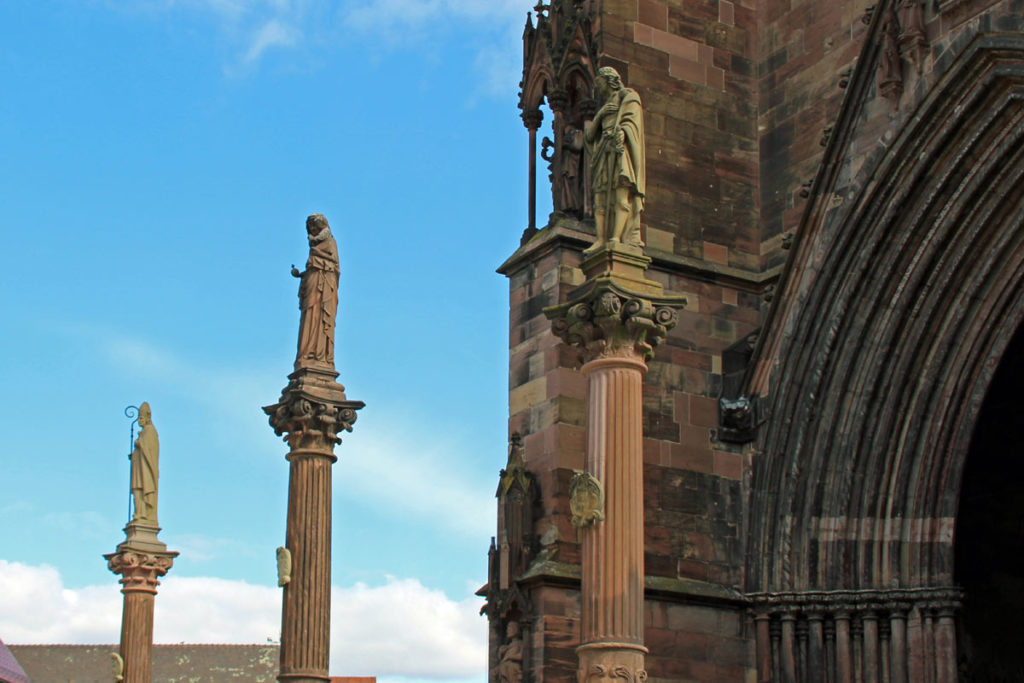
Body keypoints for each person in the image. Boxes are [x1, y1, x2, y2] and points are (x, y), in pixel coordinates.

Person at [584, 66, 646, 252]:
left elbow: (632, 121)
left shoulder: (627, 96)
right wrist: (601, 114)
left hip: (620, 150)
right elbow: (589, 136)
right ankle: (601, 239)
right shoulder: (605, 107)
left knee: (621, 192)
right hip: (604, 150)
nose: (598, 87)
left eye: (599, 82)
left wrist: (623, 132)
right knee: (600, 196)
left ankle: (616, 238)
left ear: (608, 80)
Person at [291, 214, 339, 368]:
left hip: (324, 286)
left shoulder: (330, 241)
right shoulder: (315, 246)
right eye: (310, 228)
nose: (312, 231)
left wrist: (316, 257)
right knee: (309, 316)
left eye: (314, 227)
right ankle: (306, 355)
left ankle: (320, 356)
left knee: (319, 318)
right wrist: (302, 275)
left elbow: (333, 266)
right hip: (312, 283)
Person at [130, 402, 159, 524]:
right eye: (138, 418)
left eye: (141, 418)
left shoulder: (150, 431)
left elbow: (149, 450)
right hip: (138, 470)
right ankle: (139, 513)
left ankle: (144, 514)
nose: (139, 421)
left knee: (142, 490)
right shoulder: (144, 432)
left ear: (147, 418)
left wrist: (139, 443)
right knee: (137, 491)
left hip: (145, 471)